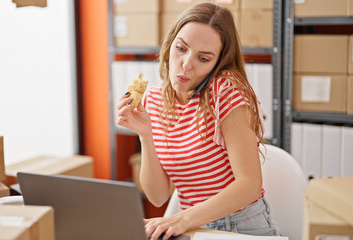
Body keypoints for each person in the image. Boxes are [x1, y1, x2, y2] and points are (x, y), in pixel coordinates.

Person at [117, 2, 280, 239]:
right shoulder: (152, 98)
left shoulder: (226, 92)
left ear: (218, 63)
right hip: (193, 226)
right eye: (181, 49)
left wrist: (182, 219)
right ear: (170, 43)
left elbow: (249, 184)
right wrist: (146, 135)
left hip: (239, 225)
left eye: (203, 58)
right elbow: (158, 197)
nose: (186, 65)